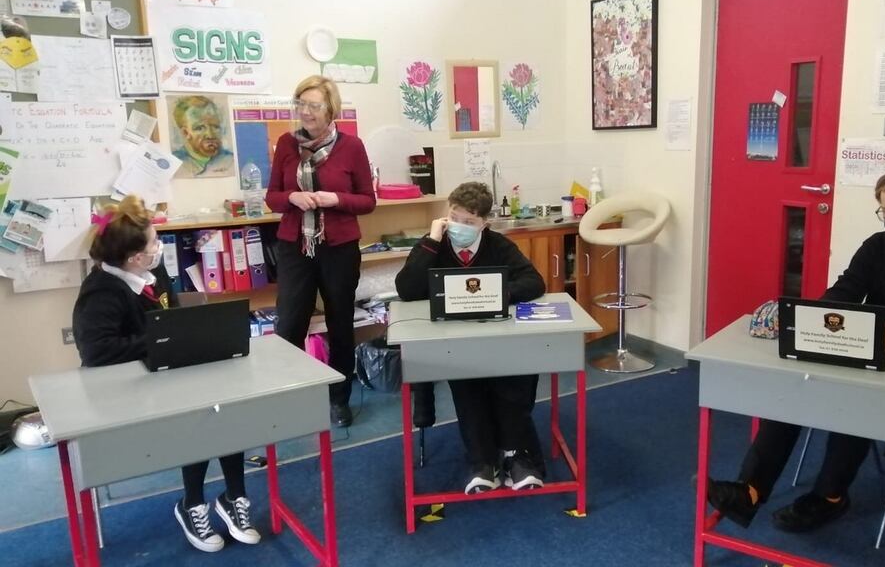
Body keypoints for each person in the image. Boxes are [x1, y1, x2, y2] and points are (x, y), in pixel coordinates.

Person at [707, 166, 885, 533]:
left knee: (857, 401)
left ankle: (830, 497)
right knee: (797, 384)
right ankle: (749, 490)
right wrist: (813, 319)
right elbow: (844, 292)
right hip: (870, 350)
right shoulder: (878, 247)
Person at [71, 196, 260, 553]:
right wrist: (158, 340)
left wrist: (179, 337)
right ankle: (192, 504)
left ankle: (234, 496)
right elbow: (97, 352)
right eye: (154, 242)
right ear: (134, 257)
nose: (159, 247)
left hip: (162, 373)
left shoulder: (151, 272)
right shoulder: (100, 292)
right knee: (199, 416)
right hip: (122, 389)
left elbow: (169, 318)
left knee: (223, 405)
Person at [395, 181, 547, 494]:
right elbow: (407, 290)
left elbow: (534, 282)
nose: (459, 227)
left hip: (498, 336)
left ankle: (517, 457)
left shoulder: (498, 244)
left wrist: (496, 295)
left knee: (512, 383)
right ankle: (482, 462)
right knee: (468, 388)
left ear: (484, 224)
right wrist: (432, 241)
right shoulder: (433, 244)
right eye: (454, 217)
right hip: (453, 340)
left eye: (469, 222)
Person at [265, 75, 375, 427]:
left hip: (339, 247)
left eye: (314, 105)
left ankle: (338, 399)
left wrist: (337, 199)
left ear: (331, 110)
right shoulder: (285, 143)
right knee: (290, 324)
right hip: (295, 245)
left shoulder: (351, 147)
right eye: (301, 104)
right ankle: (291, 397)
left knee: (340, 322)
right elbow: (272, 197)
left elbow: (367, 201)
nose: (306, 112)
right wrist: (291, 197)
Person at [171, 95, 235, 178]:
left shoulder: (231, 161)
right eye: (200, 128)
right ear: (186, 133)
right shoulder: (175, 163)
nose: (210, 135)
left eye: (215, 126)